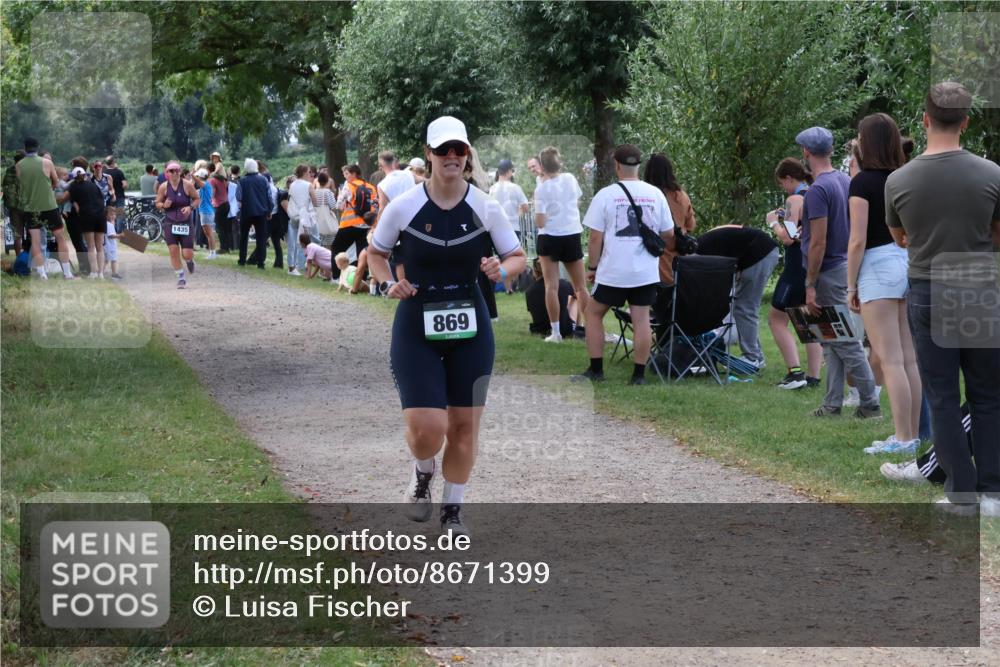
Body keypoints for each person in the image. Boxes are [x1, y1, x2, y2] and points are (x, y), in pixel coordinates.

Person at [367, 116, 526, 536]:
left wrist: (499, 267)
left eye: (459, 150)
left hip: (470, 323)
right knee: (427, 430)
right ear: (430, 154)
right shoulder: (403, 207)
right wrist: (388, 283)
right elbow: (376, 253)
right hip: (417, 321)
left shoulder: (486, 206)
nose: (452, 157)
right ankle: (423, 473)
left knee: (463, 427)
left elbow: (517, 257)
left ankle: (453, 509)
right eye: (443, 150)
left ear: (467, 154)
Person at [885, 81, 1000, 514]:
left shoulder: (899, 180)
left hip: (930, 285)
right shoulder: (992, 174)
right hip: (977, 284)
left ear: (925, 119)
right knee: (988, 394)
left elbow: (900, 237)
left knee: (943, 395)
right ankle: (994, 491)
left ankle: (961, 493)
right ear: (966, 121)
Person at [844, 113, 923, 455]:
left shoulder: (861, 184)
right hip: (906, 262)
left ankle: (903, 439)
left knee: (889, 359)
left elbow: (857, 240)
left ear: (868, 142)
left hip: (876, 266)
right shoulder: (907, 178)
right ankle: (912, 434)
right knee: (908, 359)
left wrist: (850, 287)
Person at [796, 126, 880, 419]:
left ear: (806, 152)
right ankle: (832, 404)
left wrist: (810, 284)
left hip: (829, 271)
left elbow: (817, 241)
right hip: (845, 266)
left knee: (845, 341)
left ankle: (870, 403)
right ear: (830, 151)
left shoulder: (818, 190)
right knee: (831, 341)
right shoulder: (845, 180)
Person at [576, 144, 675, 385]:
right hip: (645, 271)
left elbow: (596, 237)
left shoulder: (606, 195)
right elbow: (669, 233)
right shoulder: (655, 194)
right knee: (641, 319)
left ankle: (596, 370)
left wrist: (592, 268)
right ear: (638, 166)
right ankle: (638, 375)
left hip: (613, 271)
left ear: (617, 165)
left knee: (593, 313)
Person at [766, 158, 822, 389]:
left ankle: (795, 372)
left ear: (789, 178)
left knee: (776, 319)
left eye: (782, 184)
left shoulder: (794, 199)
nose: (783, 189)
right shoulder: (813, 193)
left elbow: (789, 237)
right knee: (807, 320)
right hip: (811, 266)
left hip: (794, 266)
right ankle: (813, 376)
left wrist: (772, 223)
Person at [696, 225, 779, 369]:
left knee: (744, 307)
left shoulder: (698, 254)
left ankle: (752, 357)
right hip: (761, 252)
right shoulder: (703, 246)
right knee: (744, 307)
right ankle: (756, 356)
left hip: (759, 254)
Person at [533, 146, 589, 342]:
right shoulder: (570, 179)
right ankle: (590, 329)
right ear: (559, 163)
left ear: (541, 167)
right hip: (571, 234)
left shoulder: (540, 189)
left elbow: (540, 222)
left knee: (551, 286)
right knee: (581, 287)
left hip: (548, 237)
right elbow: (576, 202)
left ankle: (555, 332)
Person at [16, 137, 74, 279]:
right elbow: (55, 182)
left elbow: (21, 186)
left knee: (35, 241)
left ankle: (42, 274)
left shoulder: (19, 165)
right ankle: (67, 273)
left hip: (31, 208)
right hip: (49, 205)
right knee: (60, 238)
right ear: (37, 147)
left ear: (25, 147)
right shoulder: (47, 163)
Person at [644, 153, 696, 285]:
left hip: (655, 258)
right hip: (679, 259)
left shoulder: (647, 196)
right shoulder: (681, 195)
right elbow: (691, 225)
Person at [155, 161, 200, 288]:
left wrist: (190, 207)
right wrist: (163, 205)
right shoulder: (163, 187)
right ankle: (181, 277)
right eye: (171, 171)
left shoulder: (187, 185)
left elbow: (197, 199)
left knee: (187, 253)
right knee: (173, 251)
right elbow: (157, 203)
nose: (175, 173)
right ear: (167, 173)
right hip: (170, 222)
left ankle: (190, 260)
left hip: (185, 222)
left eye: (177, 171)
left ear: (180, 172)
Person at [489, 159, 529, 293]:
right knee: (515, 257)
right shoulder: (515, 187)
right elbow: (525, 207)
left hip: (496, 228)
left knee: (502, 259)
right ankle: (515, 285)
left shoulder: (492, 188)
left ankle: (507, 288)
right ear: (509, 171)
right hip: (513, 226)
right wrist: (519, 213)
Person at [62, 166, 107, 279]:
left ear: (74, 177)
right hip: (101, 216)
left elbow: (76, 207)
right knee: (100, 246)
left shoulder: (73, 187)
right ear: (85, 175)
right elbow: (102, 200)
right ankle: (101, 273)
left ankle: (93, 272)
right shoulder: (93, 185)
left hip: (87, 216)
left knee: (91, 246)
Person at [331, 164, 375, 279]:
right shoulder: (371, 187)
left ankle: (336, 277)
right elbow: (375, 205)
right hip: (366, 224)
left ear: (354, 174)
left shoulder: (348, 186)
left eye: (347, 174)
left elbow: (339, 206)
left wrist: (341, 196)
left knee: (336, 248)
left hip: (349, 224)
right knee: (362, 252)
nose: (345, 177)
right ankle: (363, 277)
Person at [525, 258, 578, 338]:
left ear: (535, 271)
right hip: (564, 330)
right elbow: (577, 294)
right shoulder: (563, 284)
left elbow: (533, 312)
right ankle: (577, 326)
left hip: (541, 330)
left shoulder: (529, 291)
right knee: (574, 299)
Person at [237, 159, 271, 269]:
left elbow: (238, 197)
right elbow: (269, 196)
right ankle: (261, 262)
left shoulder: (242, 181)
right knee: (261, 238)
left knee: (244, 237)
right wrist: (270, 210)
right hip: (261, 212)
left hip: (246, 211)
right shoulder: (264, 180)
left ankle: (242, 260)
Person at [287, 164, 314, 275]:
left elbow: (291, 198)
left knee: (293, 241)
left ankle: (292, 266)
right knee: (304, 240)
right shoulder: (308, 185)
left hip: (294, 215)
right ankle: (301, 265)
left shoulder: (292, 184)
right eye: (308, 172)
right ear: (303, 172)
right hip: (304, 215)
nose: (310, 174)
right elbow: (314, 201)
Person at [376, 151, 417, 221]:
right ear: (393, 161)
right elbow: (426, 182)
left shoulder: (382, 185)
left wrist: (375, 226)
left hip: (399, 221)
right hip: (415, 215)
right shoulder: (408, 174)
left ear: (381, 166)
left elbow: (382, 209)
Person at [2, 151, 25, 255]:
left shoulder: (10, 170)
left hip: (14, 207)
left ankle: (19, 258)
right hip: (28, 205)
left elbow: (4, 186)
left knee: (17, 235)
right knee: (32, 233)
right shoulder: (28, 170)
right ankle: (31, 259)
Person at [194, 169, 218, 259]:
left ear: (200, 177)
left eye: (198, 176)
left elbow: (197, 181)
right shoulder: (206, 186)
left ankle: (213, 253)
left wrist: (192, 175)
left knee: (209, 233)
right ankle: (212, 253)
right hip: (206, 211)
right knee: (208, 233)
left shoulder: (205, 185)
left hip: (206, 212)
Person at [104, 155, 127, 232]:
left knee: (110, 214)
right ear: (113, 162)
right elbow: (124, 185)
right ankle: (119, 231)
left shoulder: (104, 173)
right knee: (120, 214)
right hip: (120, 196)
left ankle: (111, 231)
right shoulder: (119, 172)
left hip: (108, 197)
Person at [103, 205, 123, 280]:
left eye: (114, 214)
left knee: (106, 260)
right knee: (112, 260)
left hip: (107, 246)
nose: (113, 216)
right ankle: (114, 273)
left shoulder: (106, 224)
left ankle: (101, 272)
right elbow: (111, 235)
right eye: (111, 215)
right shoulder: (108, 225)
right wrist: (119, 235)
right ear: (105, 215)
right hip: (110, 246)